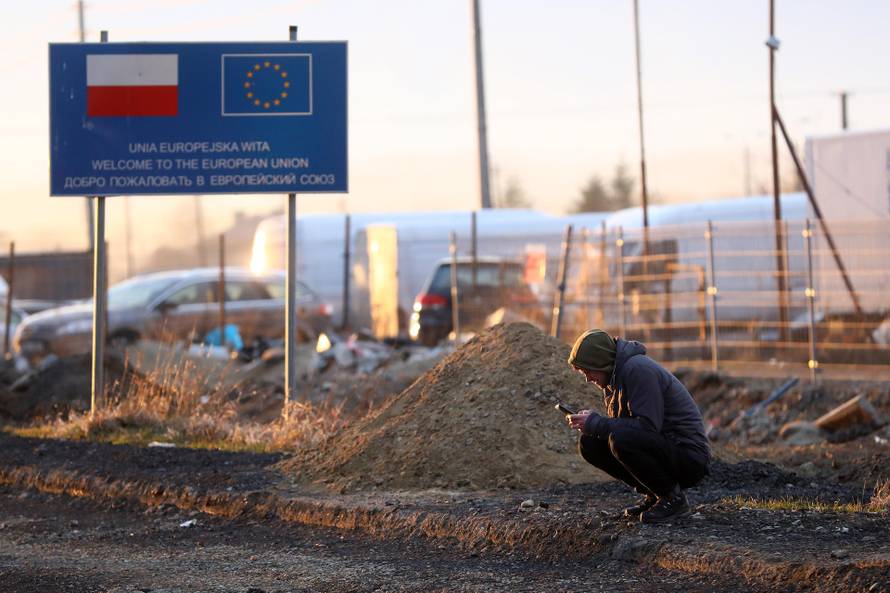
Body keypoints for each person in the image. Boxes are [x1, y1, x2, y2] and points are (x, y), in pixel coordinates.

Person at [564, 329, 710, 524]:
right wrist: (593, 425)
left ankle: (672, 499)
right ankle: (656, 495)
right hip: (664, 448)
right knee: (590, 442)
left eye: (588, 371)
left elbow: (646, 427)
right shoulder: (613, 378)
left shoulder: (637, 369)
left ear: (601, 361)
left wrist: (598, 423)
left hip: (689, 457)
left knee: (621, 438)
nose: (588, 378)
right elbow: (628, 428)